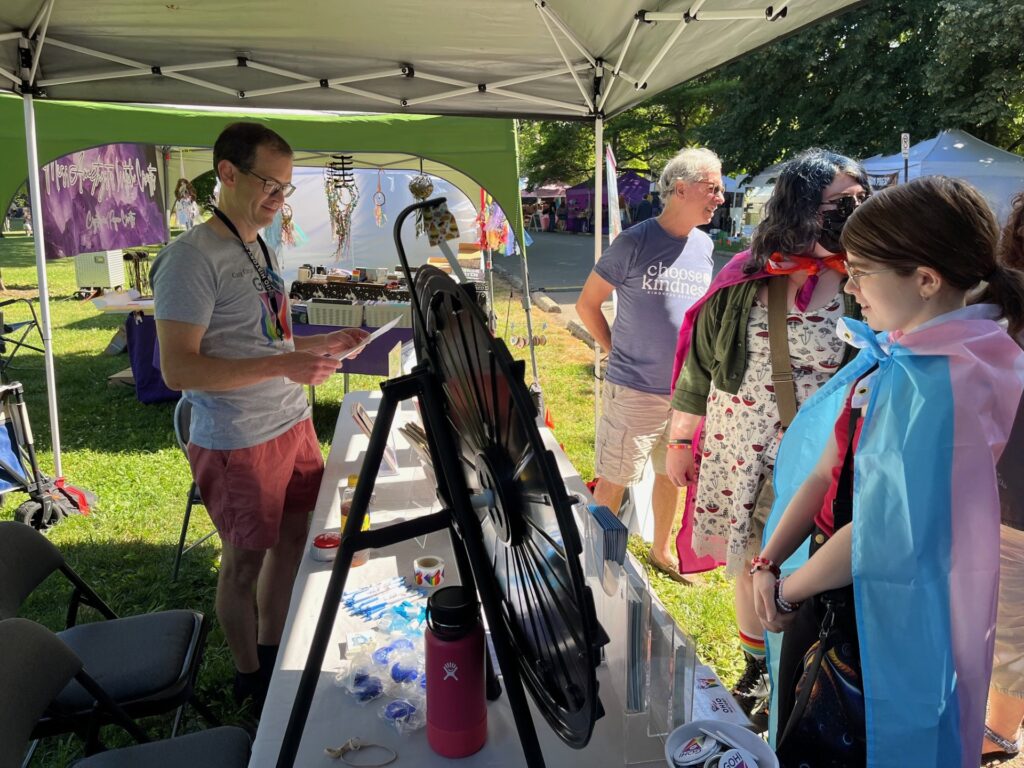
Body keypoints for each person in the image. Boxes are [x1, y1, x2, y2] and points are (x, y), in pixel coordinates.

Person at [754, 176, 1024, 767]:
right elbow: (830, 470)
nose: (848, 287)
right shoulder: (909, 352)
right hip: (826, 581)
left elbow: (880, 535)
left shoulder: (944, 381)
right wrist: (768, 560)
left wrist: (787, 588)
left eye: (861, 271)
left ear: (925, 279)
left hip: (876, 611)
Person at [151, 122, 369, 710]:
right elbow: (179, 370)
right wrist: (285, 368)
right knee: (243, 562)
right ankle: (250, 677)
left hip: (290, 423)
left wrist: (316, 350)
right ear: (226, 173)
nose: (278, 199)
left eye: (285, 188)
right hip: (238, 437)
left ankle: (274, 652)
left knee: (293, 540)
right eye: (269, 185)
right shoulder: (190, 258)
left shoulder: (259, 245)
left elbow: (261, 341)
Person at [665, 149, 868, 721]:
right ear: (800, 206)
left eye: (859, 199)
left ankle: (809, 670)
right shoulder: (744, 276)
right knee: (750, 558)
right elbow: (698, 367)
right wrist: (681, 442)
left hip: (826, 455)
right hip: (742, 448)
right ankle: (758, 671)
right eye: (838, 203)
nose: (852, 212)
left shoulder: (871, 278)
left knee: (815, 563)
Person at [576, 147, 723, 579]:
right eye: (712, 188)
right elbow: (587, 305)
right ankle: (593, 557)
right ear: (681, 188)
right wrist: (613, 350)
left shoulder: (705, 245)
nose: (720, 197)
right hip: (635, 389)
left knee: (670, 474)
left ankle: (661, 550)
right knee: (615, 477)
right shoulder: (634, 241)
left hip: (685, 394)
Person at [983, 190, 1024, 763]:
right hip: (1010, 511)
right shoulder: (999, 314)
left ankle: (996, 735)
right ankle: (997, 735)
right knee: (1009, 634)